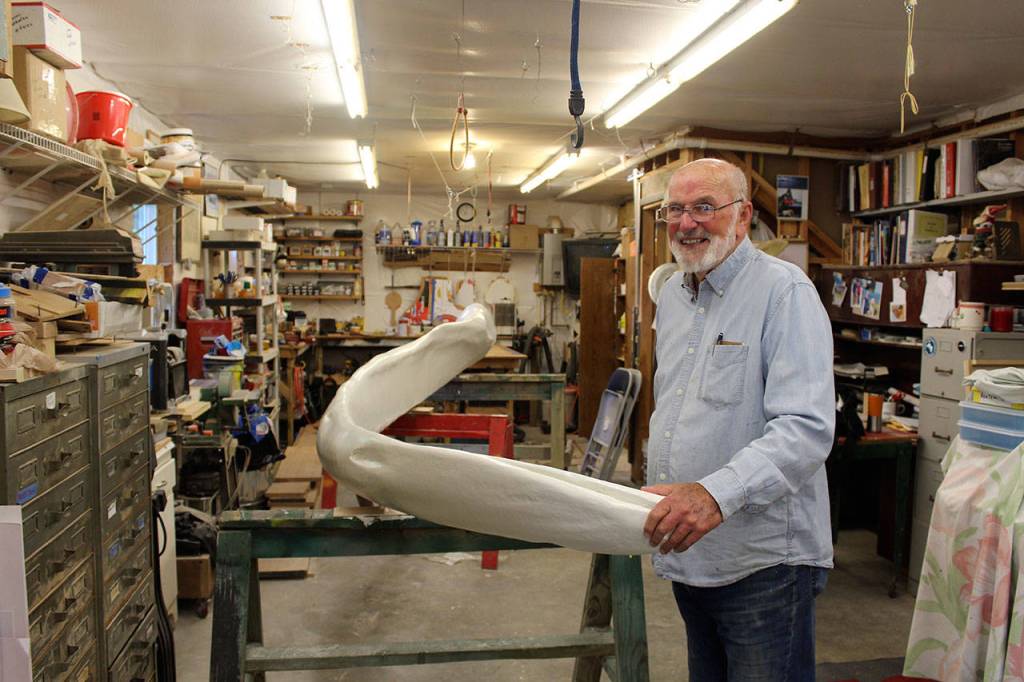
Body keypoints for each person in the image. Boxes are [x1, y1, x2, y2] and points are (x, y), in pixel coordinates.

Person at [642, 158, 835, 681]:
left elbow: (805, 429)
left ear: (744, 215)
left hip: (764, 562)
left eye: (705, 207)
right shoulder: (674, 297)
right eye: (675, 210)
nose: (687, 223)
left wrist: (711, 495)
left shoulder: (784, 293)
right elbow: (679, 408)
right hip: (692, 552)